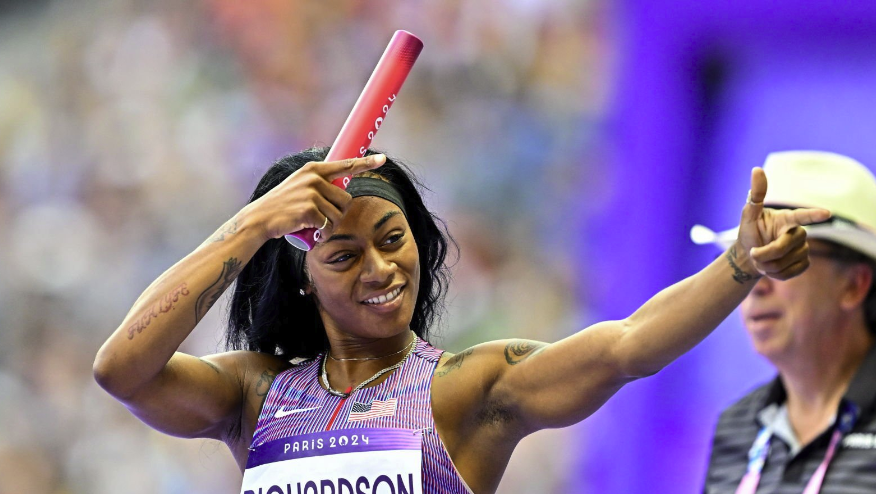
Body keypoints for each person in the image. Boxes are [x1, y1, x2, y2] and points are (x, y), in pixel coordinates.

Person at [94, 146, 826, 494]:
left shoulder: (468, 390)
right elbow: (121, 369)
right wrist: (250, 226)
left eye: (393, 239)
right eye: (344, 255)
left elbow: (627, 347)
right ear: (303, 279)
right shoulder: (255, 397)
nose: (382, 270)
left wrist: (739, 267)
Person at [698, 151, 876, 493]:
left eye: (782, 259)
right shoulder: (736, 427)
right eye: (748, 261)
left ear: (855, 285)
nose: (756, 285)